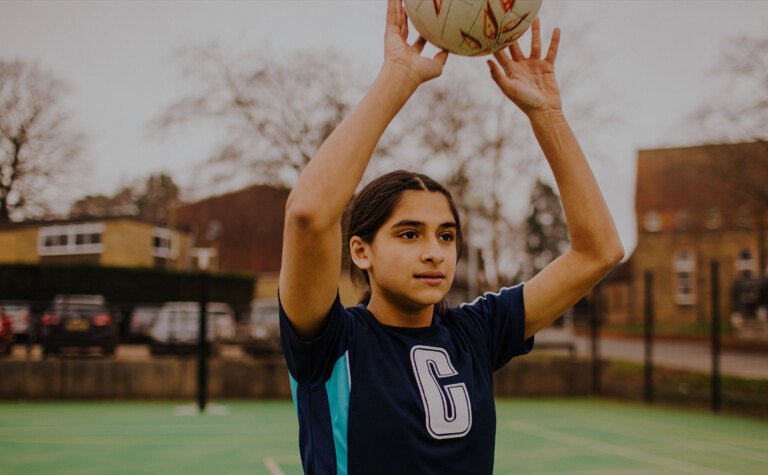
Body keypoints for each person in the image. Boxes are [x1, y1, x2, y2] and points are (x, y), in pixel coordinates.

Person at [278, 1, 624, 473]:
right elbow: (307, 215)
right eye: (408, 234)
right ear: (361, 251)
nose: (434, 252)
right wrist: (397, 78)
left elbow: (598, 252)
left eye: (446, 236)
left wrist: (548, 115)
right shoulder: (330, 342)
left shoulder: (476, 333)